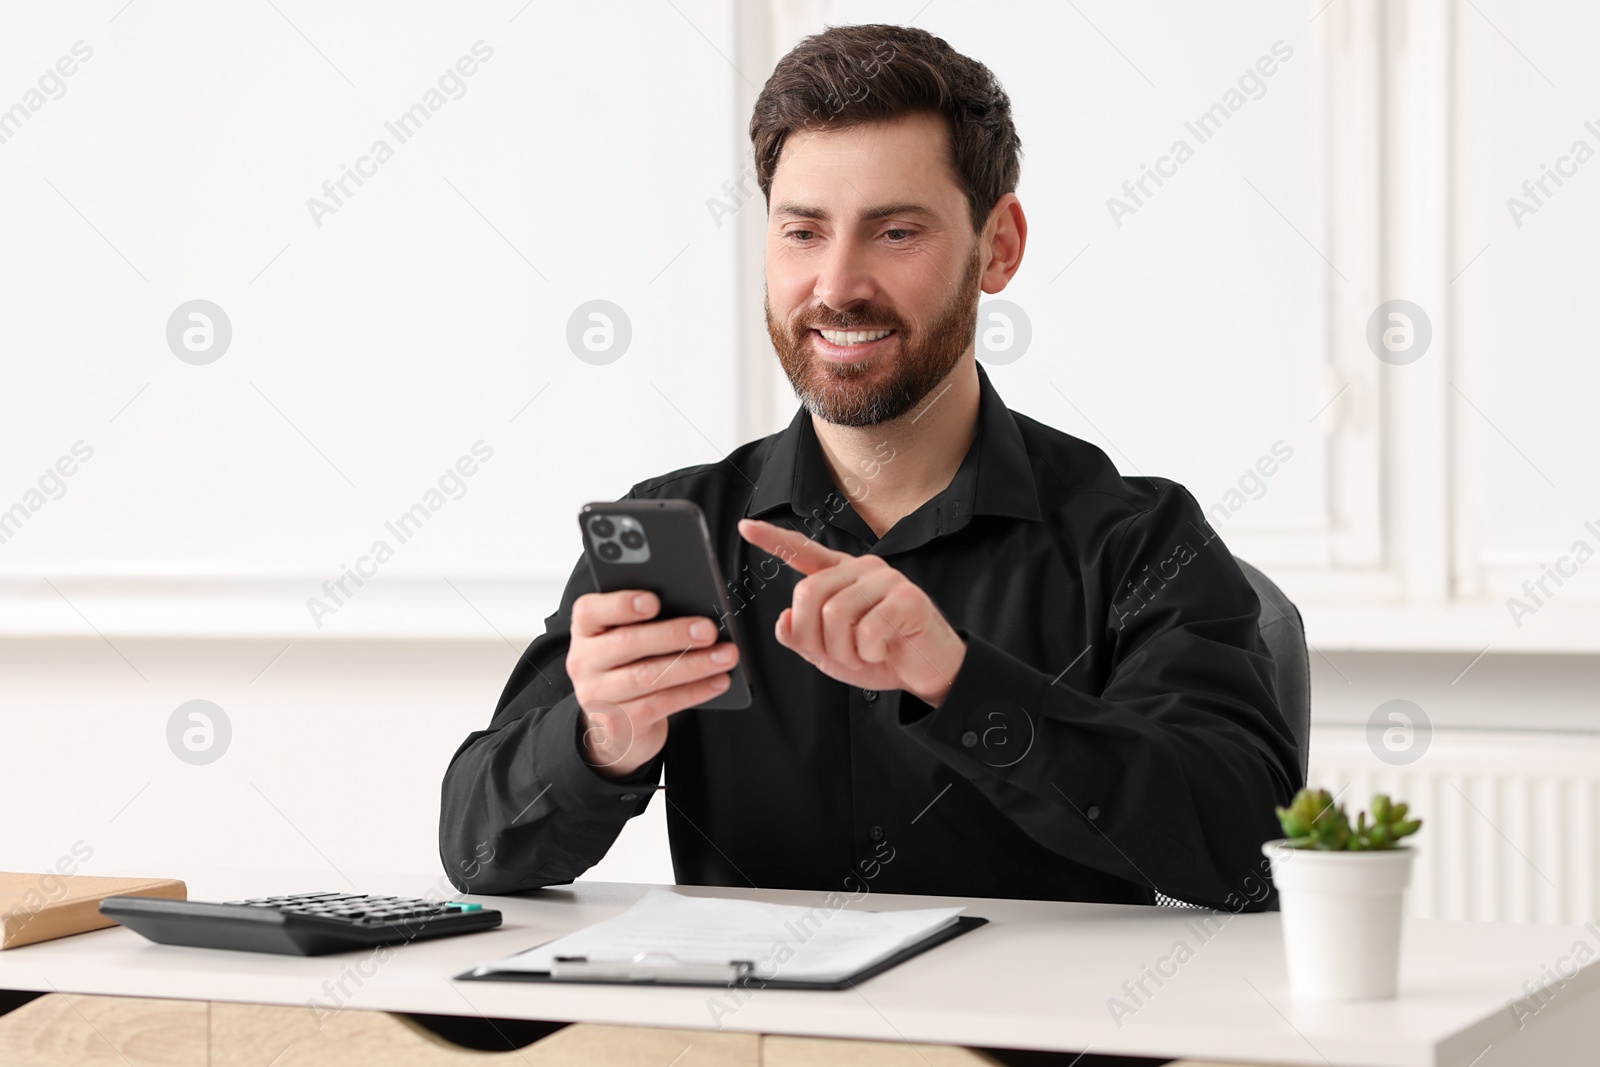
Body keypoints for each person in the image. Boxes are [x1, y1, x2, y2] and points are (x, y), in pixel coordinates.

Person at [439, 23, 1301, 910]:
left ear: (997, 246)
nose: (838, 284)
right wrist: (598, 741)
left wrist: (960, 682)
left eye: (894, 232)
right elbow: (475, 847)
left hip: (1028, 1044)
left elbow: (1254, 849)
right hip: (765, 1044)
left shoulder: (1133, 539)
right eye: (804, 232)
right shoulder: (679, 532)